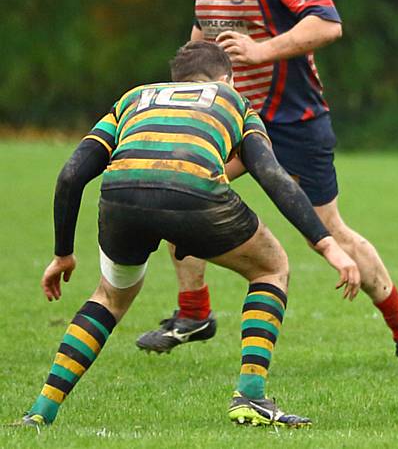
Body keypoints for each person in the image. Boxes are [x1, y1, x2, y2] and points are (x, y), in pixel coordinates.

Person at [135, 0, 398, 369]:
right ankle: (194, 314)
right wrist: (187, 90)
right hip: (230, 118)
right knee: (176, 192)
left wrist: (259, 50)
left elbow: (328, 23)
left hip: (293, 121)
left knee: (328, 229)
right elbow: (201, 33)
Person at [18, 41, 360, 429]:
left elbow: (71, 175)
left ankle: (41, 412)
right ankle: (250, 396)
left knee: (110, 298)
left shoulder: (135, 98)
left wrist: (63, 253)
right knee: (271, 268)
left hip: (120, 196)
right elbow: (272, 176)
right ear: (226, 79)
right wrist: (327, 245)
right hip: (195, 193)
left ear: (176, 82)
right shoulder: (232, 102)